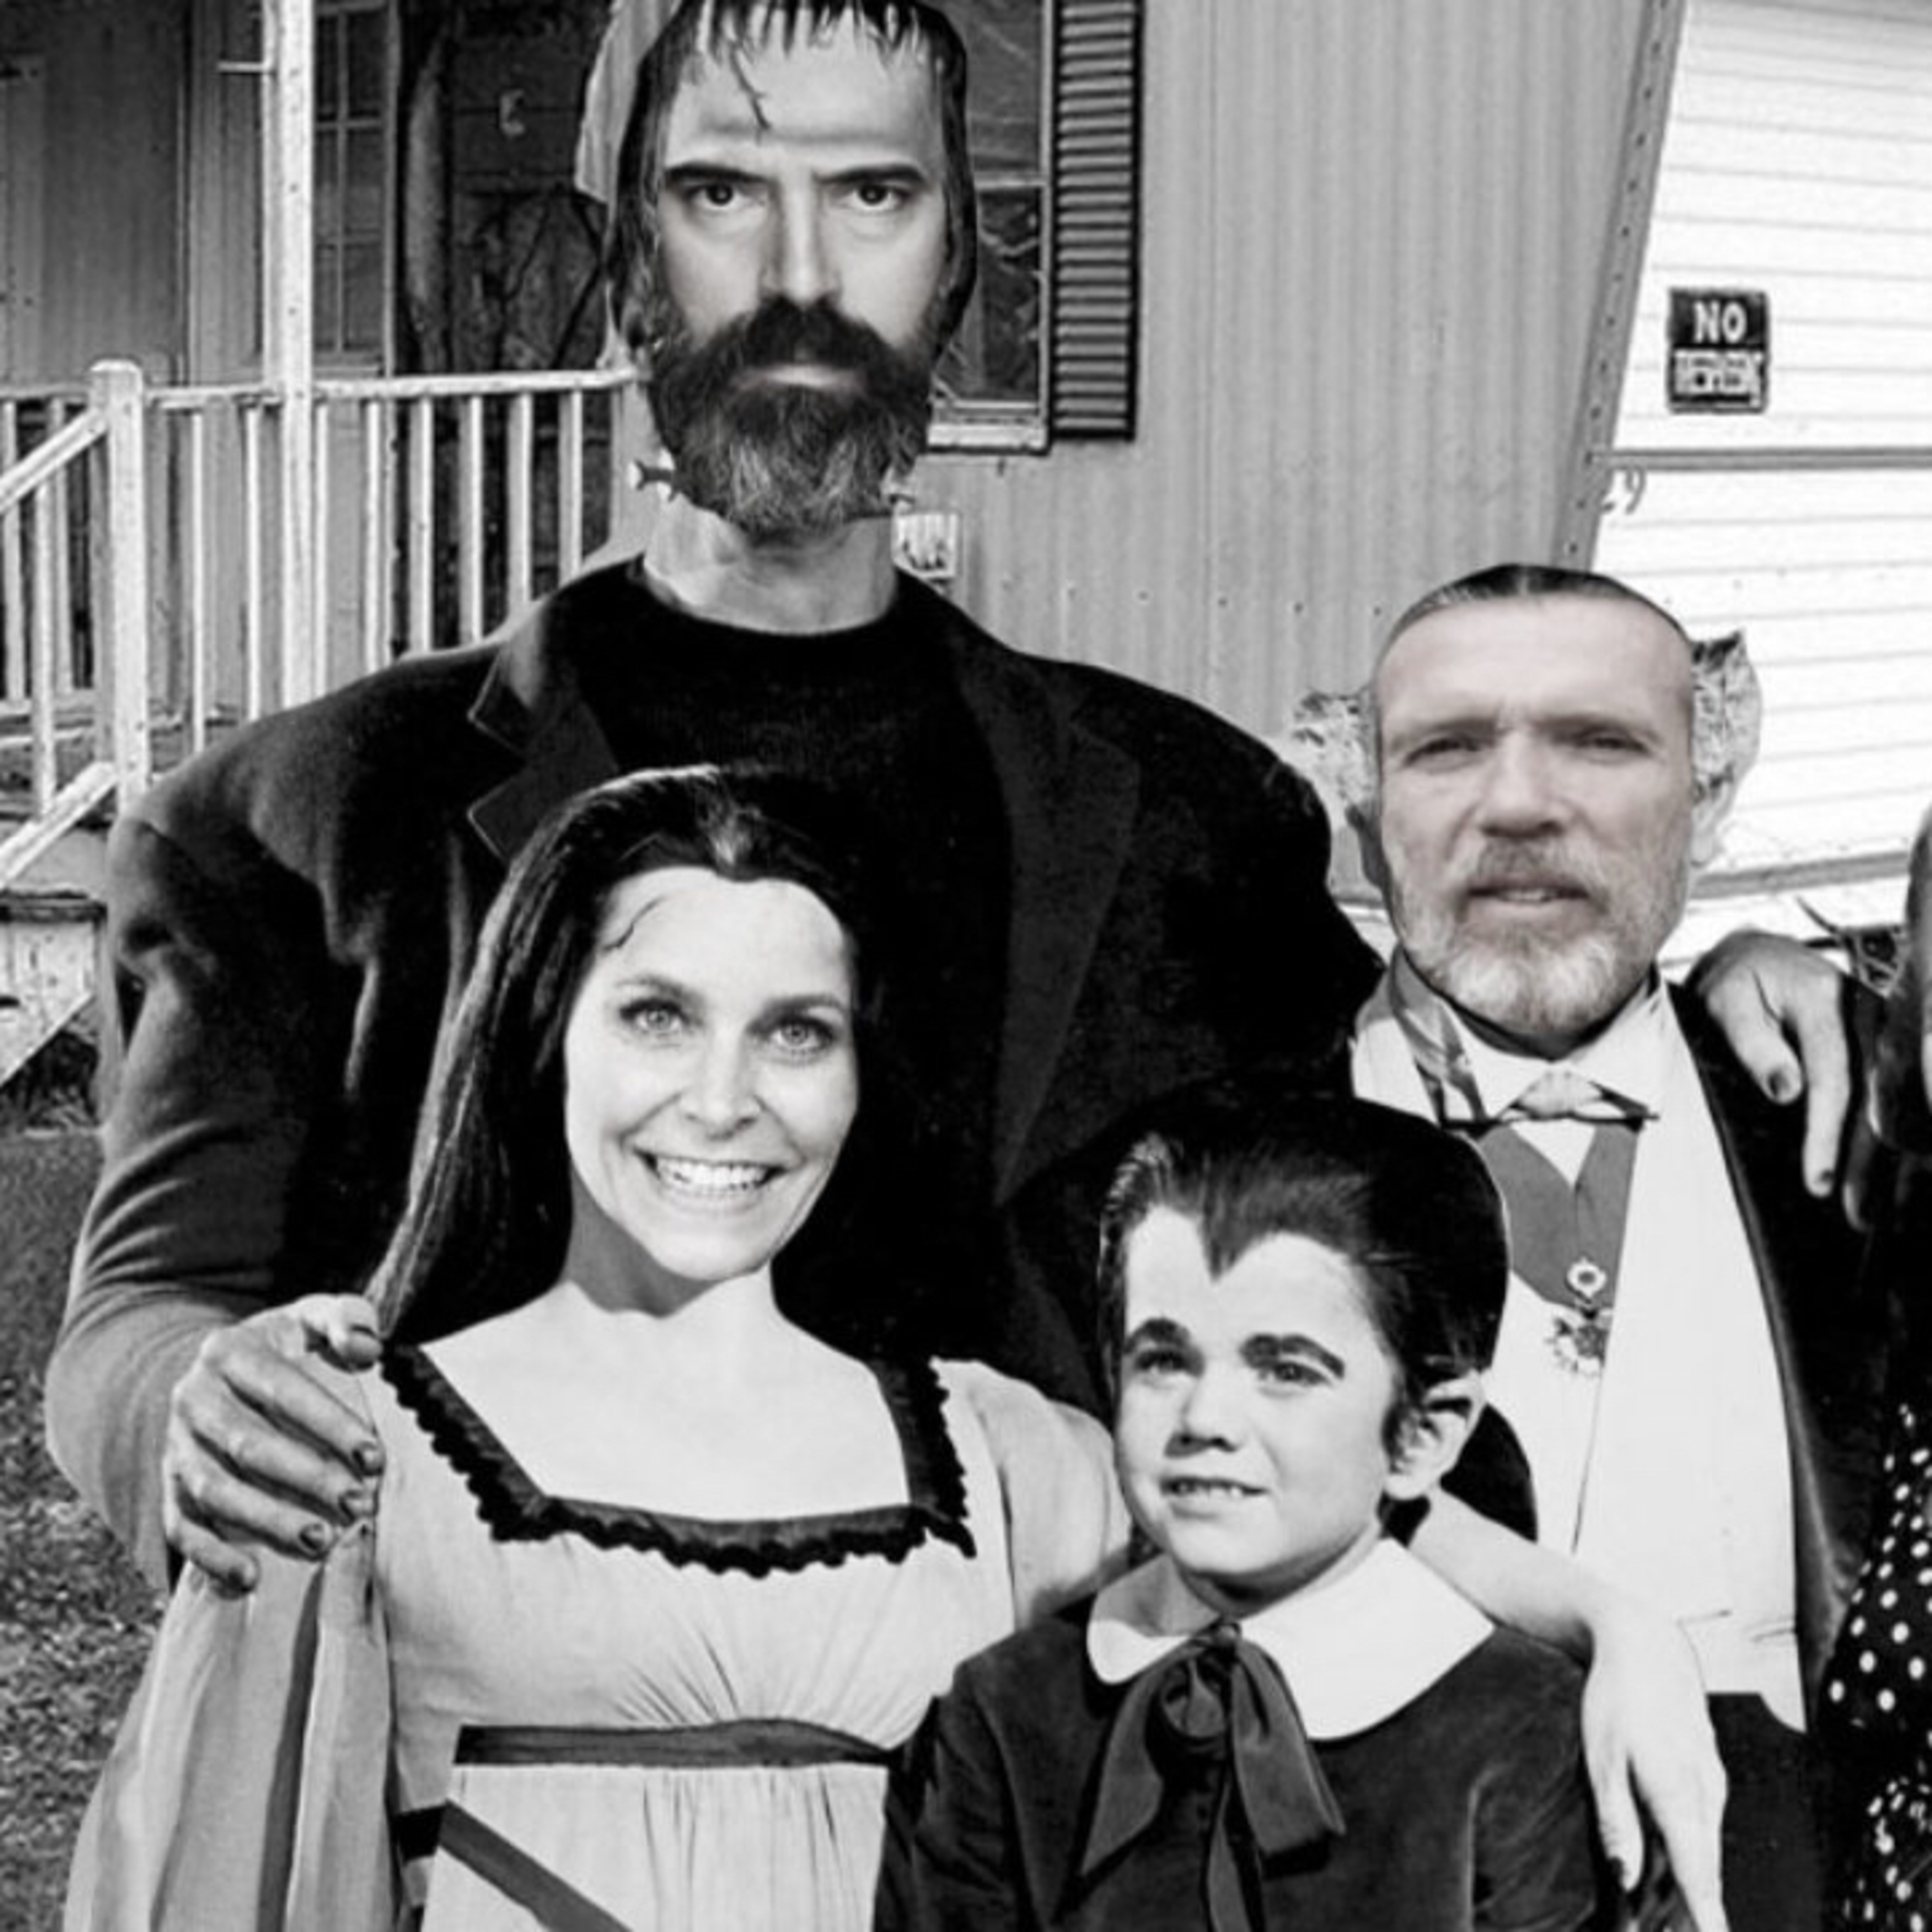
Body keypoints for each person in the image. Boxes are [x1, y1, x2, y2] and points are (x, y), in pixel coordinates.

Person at [64, 766, 1127, 1932]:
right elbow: (221, 1890)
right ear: (548, 1034)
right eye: (658, 1017)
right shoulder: (340, 1450)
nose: (722, 1100)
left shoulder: (1022, 1474)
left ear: (861, 1075)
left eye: (796, 1033)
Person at [1332, 561, 1907, 1931]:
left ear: (1707, 807)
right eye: (1448, 748)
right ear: (1369, 819)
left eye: (1599, 742)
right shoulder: (1221, 1152)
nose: (1522, 805)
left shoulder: (1850, 1132)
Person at [881, 1090, 1609, 1931]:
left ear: (1424, 1431)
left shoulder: (1525, 1724)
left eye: (1286, 1371)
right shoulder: (1009, 1705)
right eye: (1163, 1360)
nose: (1205, 1419)